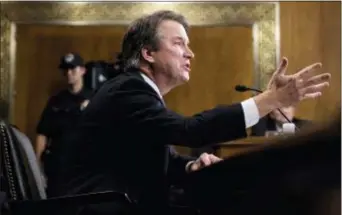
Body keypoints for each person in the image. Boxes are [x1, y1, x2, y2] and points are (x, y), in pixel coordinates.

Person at [56, 10, 331, 214]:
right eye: (179, 44)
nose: (190, 54)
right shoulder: (128, 90)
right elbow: (191, 130)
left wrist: (189, 165)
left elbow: (159, 157)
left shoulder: (136, 91)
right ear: (148, 53)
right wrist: (269, 101)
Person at [35, 53, 93, 196]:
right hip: (58, 166)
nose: (68, 73)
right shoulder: (56, 101)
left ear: (83, 71)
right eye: (65, 70)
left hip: (83, 167)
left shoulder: (95, 98)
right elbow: (42, 133)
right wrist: (36, 167)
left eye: (73, 69)